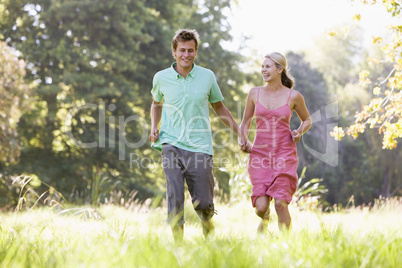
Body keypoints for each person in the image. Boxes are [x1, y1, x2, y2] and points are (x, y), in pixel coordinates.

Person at [149, 29, 249, 242]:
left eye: (191, 50)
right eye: (182, 50)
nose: (187, 54)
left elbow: (219, 108)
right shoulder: (161, 78)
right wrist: (153, 127)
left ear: (196, 52)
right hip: (170, 143)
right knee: (175, 196)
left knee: (203, 203)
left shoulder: (207, 76)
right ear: (174, 52)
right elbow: (156, 104)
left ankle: (208, 228)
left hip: (200, 146)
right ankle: (178, 248)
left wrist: (239, 132)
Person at [239, 52, 311, 233]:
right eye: (262, 66)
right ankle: (265, 219)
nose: (263, 70)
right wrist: (243, 140)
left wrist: (298, 132)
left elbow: (307, 120)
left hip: (284, 153)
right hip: (260, 155)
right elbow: (245, 122)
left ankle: (285, 246)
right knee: (261, 207)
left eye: (267, 66)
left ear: (280, 69)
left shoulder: (294, 96)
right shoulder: (254, 93)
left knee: (280, 203)